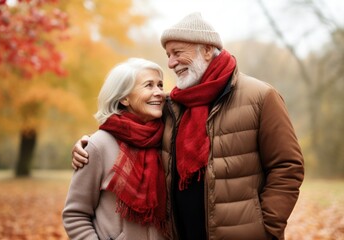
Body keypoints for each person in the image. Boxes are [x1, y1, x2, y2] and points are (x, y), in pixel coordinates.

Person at [71, 12, 305, 240]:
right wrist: (86, 145)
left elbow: (288, 166)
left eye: (177, 53)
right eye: (167, 54)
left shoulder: (261, 96)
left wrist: (266, 229)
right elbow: (130, 126)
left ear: (205, 49)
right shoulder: (172, 106)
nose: (170, 63)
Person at [62, 58, 169, 240]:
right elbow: (75, 215)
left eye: (160, 85)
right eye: (149, 85)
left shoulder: (168, 138)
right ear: (124, 98)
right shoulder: (98, 145)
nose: (159, 92)